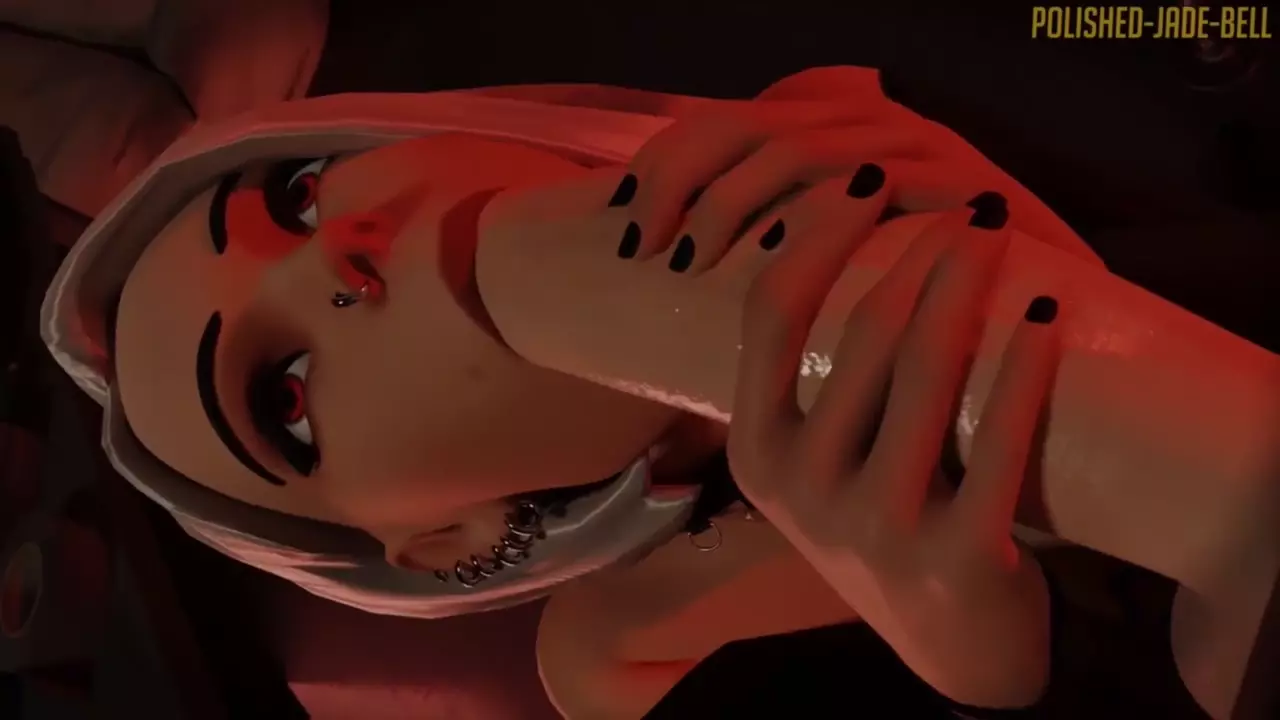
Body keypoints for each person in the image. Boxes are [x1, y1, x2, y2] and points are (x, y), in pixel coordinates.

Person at [38, 67, 1225, 719]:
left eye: (295, 197)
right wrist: (998, 677)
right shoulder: (623, 657)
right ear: (443, 541)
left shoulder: (828, 130)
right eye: (284, 397)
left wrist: (1042, 253)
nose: (339, 261)